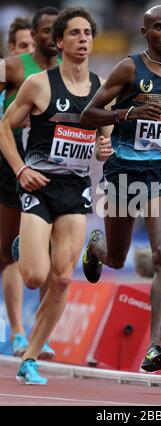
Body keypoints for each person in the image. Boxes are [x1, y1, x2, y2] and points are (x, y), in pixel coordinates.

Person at [80, 5, 161, 373]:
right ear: (145, 31)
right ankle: (96, 247)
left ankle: (155, 346)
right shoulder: (129, 68)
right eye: (159, 27)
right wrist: (125, 114)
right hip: (124, 173)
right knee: (117, 258)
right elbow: (88, 115)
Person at [0, 6, 103, 385]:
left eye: (87, 33)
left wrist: (105, 147)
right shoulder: (39, 84)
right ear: (59, 42)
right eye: (74, 33)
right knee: (33, 277)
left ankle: (30, 358)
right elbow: (3, 128)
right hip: (39, 186)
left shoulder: (100, 87)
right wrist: (21, 169)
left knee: (61, 280)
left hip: (75, 192)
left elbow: (104, 136)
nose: (82, 39)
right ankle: (23, 248)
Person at [0, 7, 60, 358]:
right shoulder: (14, 67)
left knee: (51, 256)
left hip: (51, 170)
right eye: (46, 31)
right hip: (11, 166)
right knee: (7, 252)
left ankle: (37, 334)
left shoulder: (68, 75)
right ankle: (17, 331)